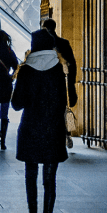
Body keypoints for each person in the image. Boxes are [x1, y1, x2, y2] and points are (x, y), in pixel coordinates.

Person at [11, 28, 77, 213]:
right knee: (50, 178)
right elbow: (62, 102)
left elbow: (16, 103)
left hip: (30, 127)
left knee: (31, 174)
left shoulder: (26, 70)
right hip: (53, 128)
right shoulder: (58, 69)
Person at [40, 18, 78, 147]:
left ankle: (52, 136)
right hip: (63, 83)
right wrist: (71, 82)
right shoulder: (64, 43)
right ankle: (67, 134)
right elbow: (72, 64)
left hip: (48, 85)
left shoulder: (42, 45)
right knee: (63, 109)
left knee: (49, 111)